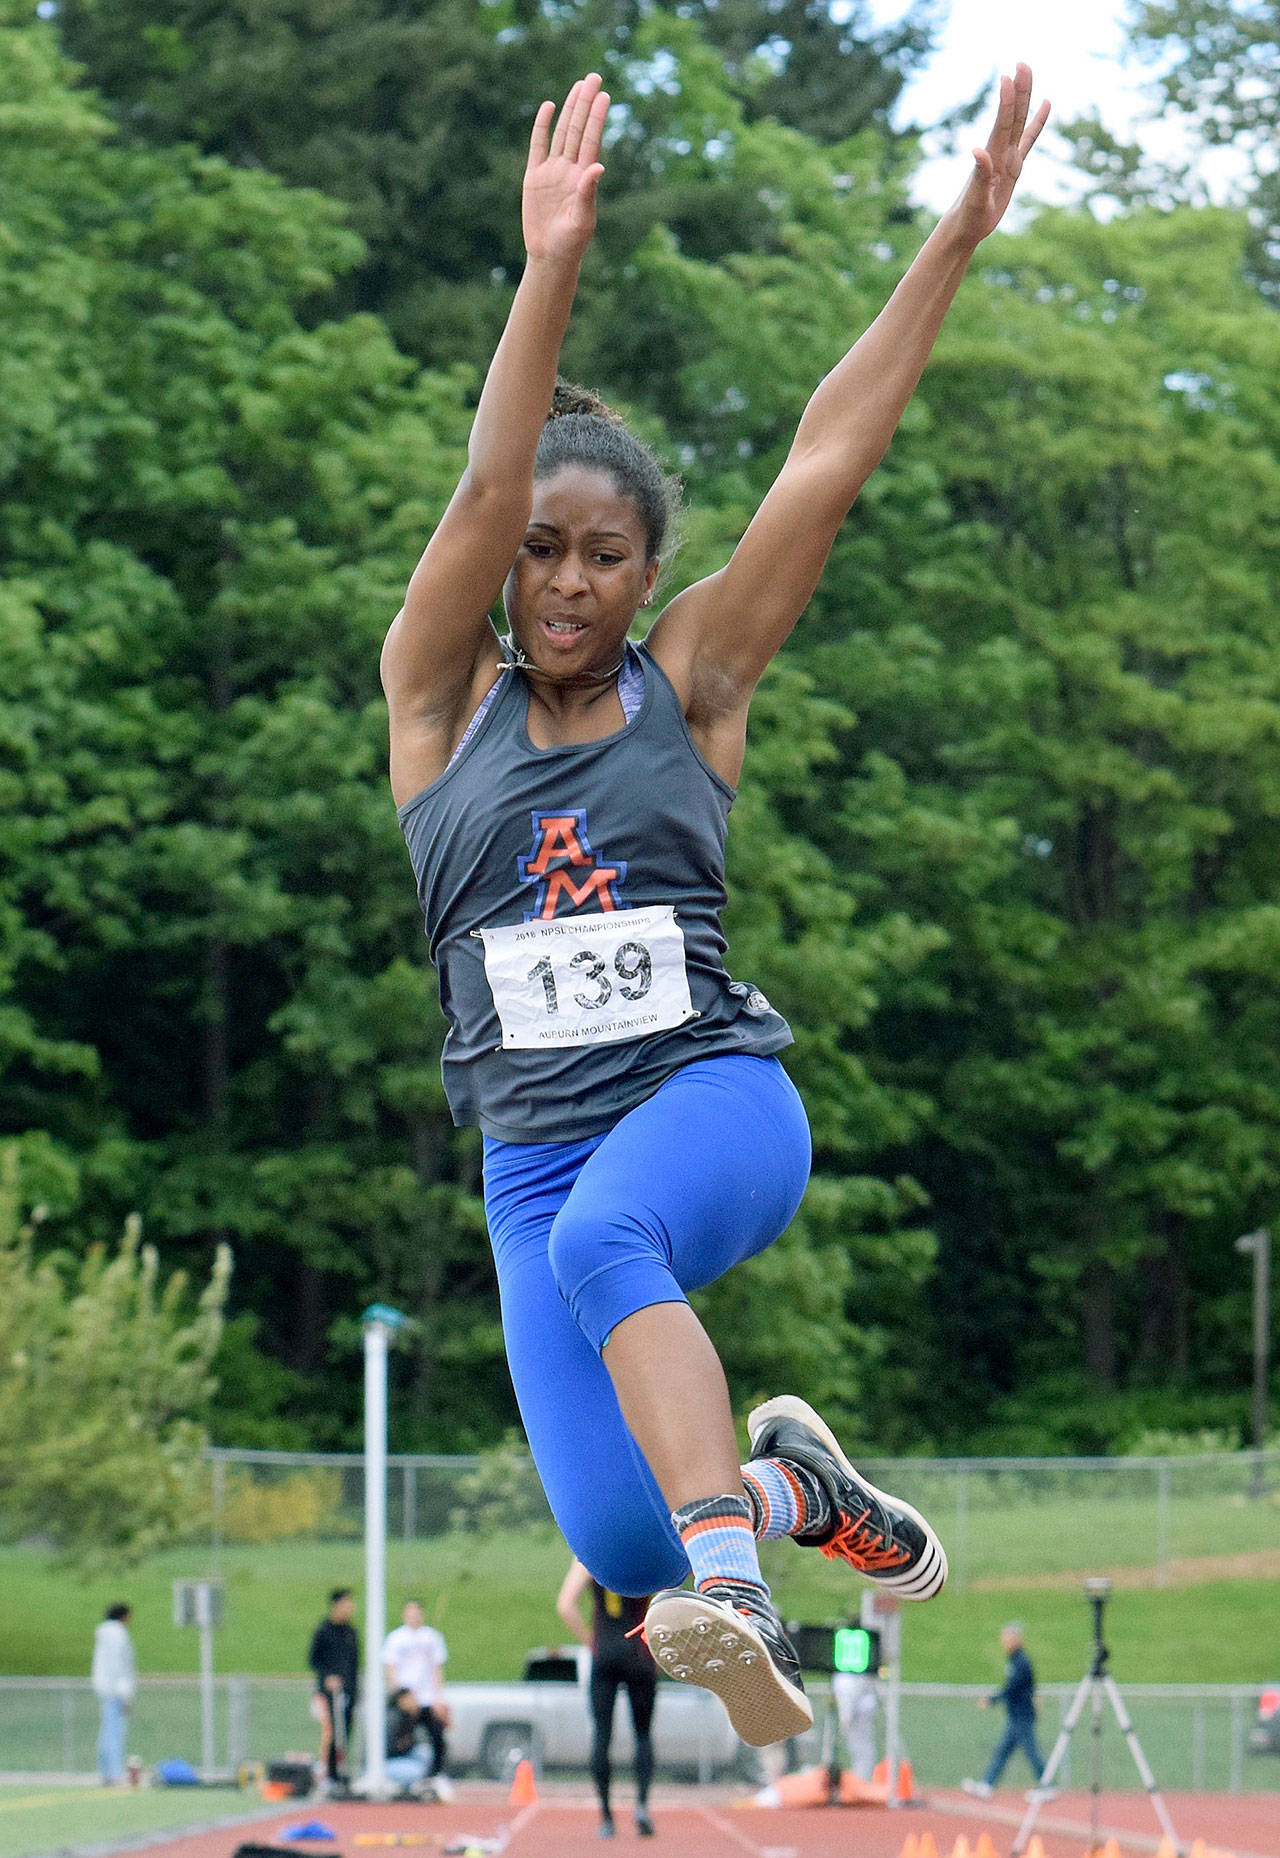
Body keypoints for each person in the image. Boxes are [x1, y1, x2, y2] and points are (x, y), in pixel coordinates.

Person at [382, 66, 1047, 1748]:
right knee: (618, 1540)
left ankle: (738, 1584)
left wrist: (954, 242)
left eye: (605, 554)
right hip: (529, 1162)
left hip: (710, 1101)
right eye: (541, 551)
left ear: (644, 570)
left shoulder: (693, 686)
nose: (567, 582)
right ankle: (793, 1489)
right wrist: (550, 269)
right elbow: (476, 491)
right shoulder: (428, 707)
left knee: (628, 1257)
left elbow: (825, 460)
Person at [558, 1555, 658, 1838]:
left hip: (606, 1652)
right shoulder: (646, 1553)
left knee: (602, 1734)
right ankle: (641, 1807)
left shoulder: (589, 1556)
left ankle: (606, 1818)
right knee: (643, 1734)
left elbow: (565, 1605)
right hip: (639, 1651)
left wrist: (591, 1642)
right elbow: (668, 1598)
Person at [963, 1621, 1054, 1800]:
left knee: (1031, 1751)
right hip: (1015, 1715)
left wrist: (991, 1700)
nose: (1004, 1641)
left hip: (1023, 1715)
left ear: (1016, 1638)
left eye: (1007, 1637)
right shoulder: (1014, 1660)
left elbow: (1012, 1687)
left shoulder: (1021, 1661)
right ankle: (987, 1784)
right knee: (1003, 1750)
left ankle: (1047, 1786)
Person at [382, 1598, 453, 1798]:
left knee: (437, 1736)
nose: (413, 1616)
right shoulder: (396, 1638)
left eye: (416, 1612)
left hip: (426, 1698)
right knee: (403, 1738)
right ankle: (400, 1777)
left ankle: (436, 1775)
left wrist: (439, 1697)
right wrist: (399, 1695)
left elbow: (437, 1668)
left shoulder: (432, 1637)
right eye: (409, 1612)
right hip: (406, 1701)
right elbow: (390, 1667)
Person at [308, 1588, 359, 1787]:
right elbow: (314, 1659)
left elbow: (354, 1664)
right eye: (346, 1604)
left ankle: (339, 1772)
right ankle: (327, 1773)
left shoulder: (351, 1632)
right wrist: (326, 1679)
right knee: (330, 1731)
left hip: (348, 1692)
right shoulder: (323, 1630)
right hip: (328, 1693)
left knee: (344, 1733)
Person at [91, 1602, 136, 1785]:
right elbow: (120, 1665)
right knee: (115, 1733)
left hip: (105, 1687)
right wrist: (125, 1692)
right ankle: (114, 1772)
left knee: (107, 1732)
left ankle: (106, 1771)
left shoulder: (103, 1634)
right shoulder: (118, 1635)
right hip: (116, 1689)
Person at [383, 1687, 435, 1797]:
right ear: (401, 1700)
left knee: (425, 1752)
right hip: (386, 1763)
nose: (415, 1702)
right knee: (416, 1771)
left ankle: (420, 1782)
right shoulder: (393, 1718)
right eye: (412, 1699)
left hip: (399, 1757)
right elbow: (389, 1749)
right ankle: (399, 1785)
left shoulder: (407, 1716)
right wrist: (404, 1746)